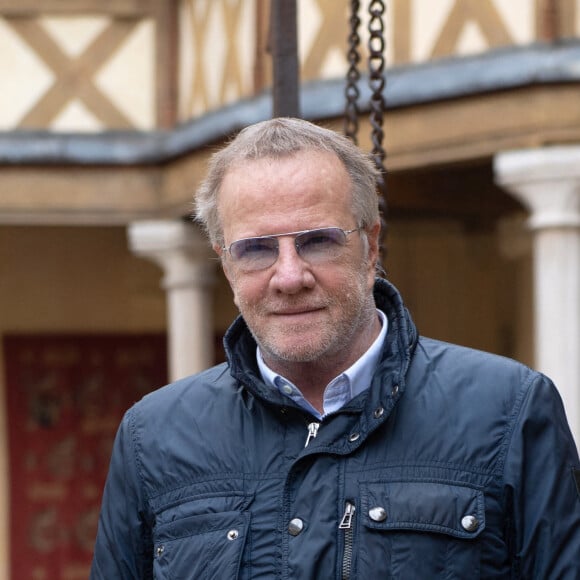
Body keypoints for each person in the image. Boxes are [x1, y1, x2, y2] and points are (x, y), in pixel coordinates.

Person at [91, 117, 580, 579]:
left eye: (318, 241)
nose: (288, 276)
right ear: (225, 264)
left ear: (370, 246)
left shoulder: (508, 411)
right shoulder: (151, 437)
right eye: (257, 248)